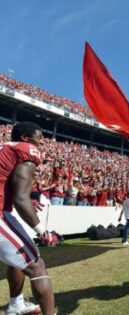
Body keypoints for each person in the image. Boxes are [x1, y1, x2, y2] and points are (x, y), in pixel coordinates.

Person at [0, 122, 58, 315]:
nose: (42, 141)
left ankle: (16, 305)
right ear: (25, 138)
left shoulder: (6, 148)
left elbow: (12, 188)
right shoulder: (27, 150)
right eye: (39, 137)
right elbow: (20, 197)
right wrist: (43, 232)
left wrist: (25, 199)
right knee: (36, 265)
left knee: (16, 260)